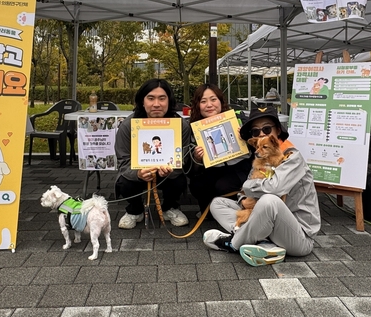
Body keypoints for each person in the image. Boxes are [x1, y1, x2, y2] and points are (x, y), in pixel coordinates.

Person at [203, 108, 320, 267]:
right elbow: (245, 194)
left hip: (299, 235)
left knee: (269, 200)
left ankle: (232, 243)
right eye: (255, 131)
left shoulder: (292, 157)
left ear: (277, 131)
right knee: (217, 203)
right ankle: (262, 242)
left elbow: (274, 188)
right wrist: (244, 198)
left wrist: (247, 186)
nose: (261, 134)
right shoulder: (261, 158)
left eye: (266, 129)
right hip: (269, 226)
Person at [115, 79, 191, 229]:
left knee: (179, 180)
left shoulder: (181, 125)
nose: (156, 104)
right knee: (124, 182)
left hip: (167, 174)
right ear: (142, 101)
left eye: (162, 98)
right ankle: (135, 210)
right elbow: (123, 161)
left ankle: (170, 208)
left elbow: (184, 158)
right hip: (139, 172)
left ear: (169, 101)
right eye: (151, 98)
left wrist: (171, 170)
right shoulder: (128, 125)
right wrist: (138, 173)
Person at [187, 83, 251, 215]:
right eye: (203, 101)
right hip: (212, 169)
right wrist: (197, 158)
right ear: (198, 105)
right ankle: (208, 211)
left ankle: (237, 208)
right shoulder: (194, 127)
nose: (209, 105)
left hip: (240, 167)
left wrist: (247, 137)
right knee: (197, 184)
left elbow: (259, 145)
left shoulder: (238, 119)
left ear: (221, 101)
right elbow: (192, 168)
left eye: (213, 99)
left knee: (223, 186)